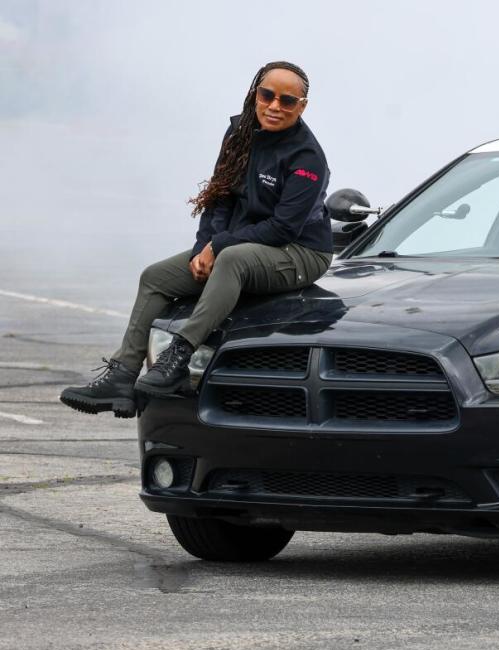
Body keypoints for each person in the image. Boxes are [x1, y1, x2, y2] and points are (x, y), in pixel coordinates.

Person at [60, 60, 334, 417]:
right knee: (155, 277)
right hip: (242, 240)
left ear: (302, 107)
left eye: (287, 100)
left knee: (234, 261)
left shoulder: (307, 158)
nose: (274, 106)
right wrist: (202, 248)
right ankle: (123, 377)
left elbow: (283, 228)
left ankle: (178, 358)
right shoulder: (239, 133)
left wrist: (219, 247)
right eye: (267, 95)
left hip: (300, 251)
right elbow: (218, 197)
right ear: (255, 94)